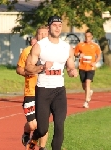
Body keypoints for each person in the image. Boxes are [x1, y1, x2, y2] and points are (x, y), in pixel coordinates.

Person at [24, 16, 78, 150]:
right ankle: (35, 137)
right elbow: (28, 67)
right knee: (42, 129)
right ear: (49, 27)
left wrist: (72, 71)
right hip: (43, 90)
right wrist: (42, 67)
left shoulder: (66, 47)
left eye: (60, 25)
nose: (58, 28)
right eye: (55, 25)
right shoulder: (40, 46)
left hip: (59, 90)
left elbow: (70, 66)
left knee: (59, 125)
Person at [16, 25, 49, 150]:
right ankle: (26, 132)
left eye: (45, 34)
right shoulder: (27, 51)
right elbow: (19, 69)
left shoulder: (52, 53)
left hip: (46, 92)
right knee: (33, 125)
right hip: (31, 92)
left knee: (43, 124)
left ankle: (42, 147)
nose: (42, 36)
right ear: (36, 35)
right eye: (40, 34)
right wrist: (29, 72)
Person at [74, 30, 102, 108]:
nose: (87, 38)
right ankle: (89, 92)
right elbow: (75, 53)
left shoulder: (95, 46)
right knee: (84, 86)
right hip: (82, 67)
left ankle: (86, 102)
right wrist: (79, 55)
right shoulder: (80, 45)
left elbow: (99, 55)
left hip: (91, 67)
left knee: (87, 82)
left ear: (92, 37)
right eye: (86, 36)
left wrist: (95, 62)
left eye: (89, 36)